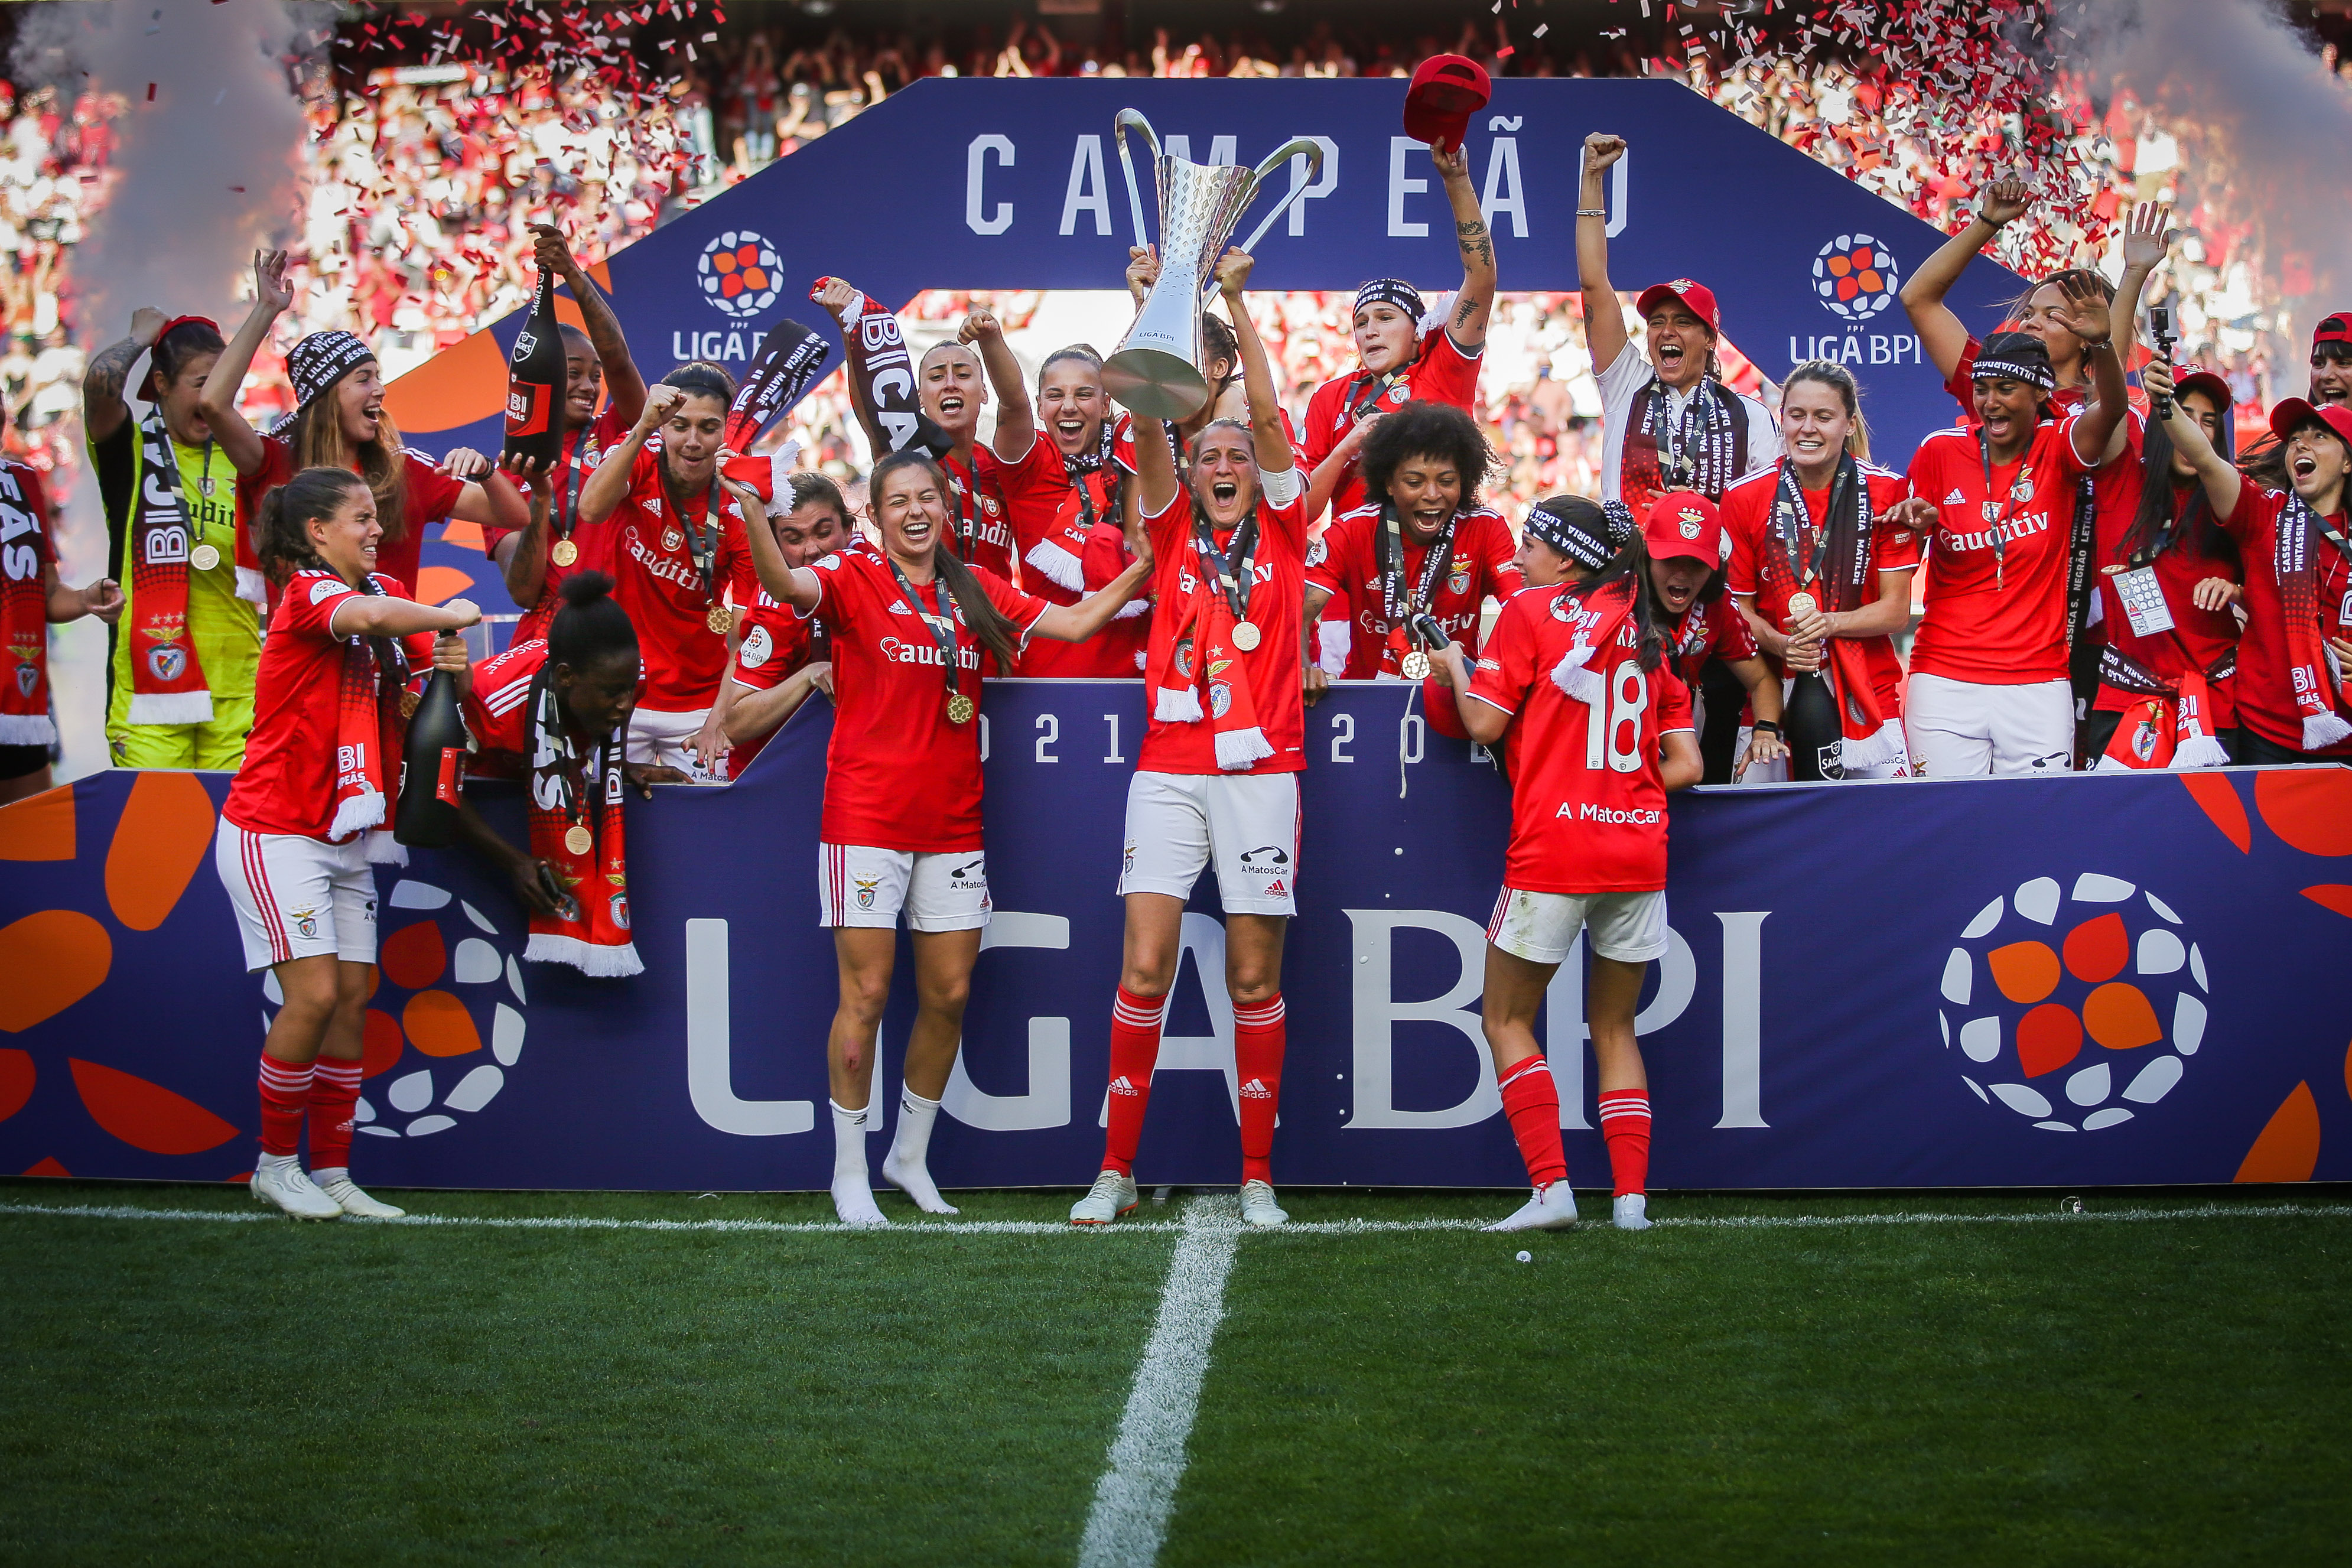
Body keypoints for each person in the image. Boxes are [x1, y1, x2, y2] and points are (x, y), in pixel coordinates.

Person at [742, 449, 1149, 1225]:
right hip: (865, 819)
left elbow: (1070, 621)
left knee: (950, 995)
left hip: (954, 824)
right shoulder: (852, 575)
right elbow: (782, 585)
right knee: (863, 994)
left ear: (944, 508)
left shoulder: (969, 586)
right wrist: (751, 517)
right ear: (877, 515)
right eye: (899, 500)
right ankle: (849, 1172)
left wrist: (1143, 570)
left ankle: (909, 1158)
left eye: (928, 496)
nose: (916, 510)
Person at [1071, 248, 1306, 1231]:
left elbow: (1257, 408)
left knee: (1254, 976)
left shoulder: (1289, 529)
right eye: (1205, 454)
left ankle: (1256, 1174)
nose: (1220, 463)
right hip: (1169, 771)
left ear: (1259, 472)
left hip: (1263, 775)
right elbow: (1144, 417)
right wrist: (1158, 305)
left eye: (1236, 456)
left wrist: (1239, 304)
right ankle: (1114, 1170)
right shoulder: (1167, 530)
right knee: (1143, 969)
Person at [1429, 493, 1706, 1232]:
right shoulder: (1648, 627)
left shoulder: (1529, 612)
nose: (1518, 559)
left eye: (1530, 544)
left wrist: (1455, 664)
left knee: (1506, 1017)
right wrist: (1626, 789)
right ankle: (1631, 1203)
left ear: (1565, 555)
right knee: (1615, 1027)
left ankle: (1552, 1190)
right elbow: (1689, 762)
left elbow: (1484, 721)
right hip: (1638, 848)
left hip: (1556, 846)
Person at [213, 466, 481, 1221]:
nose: (375, 529)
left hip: (345, 831)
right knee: (318, 994)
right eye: (360, 518)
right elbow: (367, 618)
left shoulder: (374, 602)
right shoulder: (312, 593)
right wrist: (442, 612)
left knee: (355, 999)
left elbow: (418, 700)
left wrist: (448, 673)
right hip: (275, 829)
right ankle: (274, 1164)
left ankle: (333, 1172)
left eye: (375, 516)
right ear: (315, 534)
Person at [201, 249, 529, 610]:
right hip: (307, 663)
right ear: (325, 398)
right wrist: (266, 310)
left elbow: (514, 517)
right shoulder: (274, 462)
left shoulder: (403, 471)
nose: (381, 390)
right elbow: (214, 404)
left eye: (379, 377)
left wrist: (485, 472)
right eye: (363, 379)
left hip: (390, 661)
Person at [1899, 307, 2130, 776]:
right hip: (1942, 680)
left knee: (2037, 830)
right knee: (1947, 827)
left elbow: (2112, 409)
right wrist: (1912, 525)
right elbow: (1899, 561)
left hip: (2037, 684)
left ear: (2040, 392)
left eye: (2006, 389)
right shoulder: (1939, 450)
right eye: (1981, 390)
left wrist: (2103, 344)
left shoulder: (2059, 444)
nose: (1989, 403)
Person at [1720, 360, 1932, 780]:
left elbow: (1893, 612)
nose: (1807, 429)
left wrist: (1826, 624)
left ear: (1849, 423)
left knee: (1883, 833)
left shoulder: (1887, 492)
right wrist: (1781, 644)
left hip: (1867, 691)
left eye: (1823, 416)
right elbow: (1737, 610)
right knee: (1769, 839)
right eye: (1796, 415)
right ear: (1781, 418)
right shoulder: (1744, 495)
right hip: (1772, 695)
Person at [83, 310, 258, 767]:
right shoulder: (130, 450)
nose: (213, 397)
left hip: (239, 692)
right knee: (159, 836)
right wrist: (141, 336)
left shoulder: (248, 454)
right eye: (201, 384)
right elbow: (100, 383)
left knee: (232, 838)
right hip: (149, 695)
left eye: (224, 382)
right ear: (161, 383)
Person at [1575, 133, 1781, 515]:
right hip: (1630, 570)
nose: (1666, 331)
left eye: (1683, 322)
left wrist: (1704, 512)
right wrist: (1591, 179)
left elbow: (1767, 518)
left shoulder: (1751, 417)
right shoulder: (1626, 385)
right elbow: (1592, 283)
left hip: (1711, 572)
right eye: (1657, 321)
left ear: (1708, 339)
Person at [454, 570, 646, 975]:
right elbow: (432, 789)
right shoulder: (492, 707)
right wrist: (512, 862)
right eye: (614, 693)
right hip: (478, 824)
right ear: (564, 677)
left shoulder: (625, 673)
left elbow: (627, 693)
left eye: (630, 689)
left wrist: (621, 762)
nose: (626, 704)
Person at [575, 365, 759, 776]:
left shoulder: (741, 502)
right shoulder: (638, 454)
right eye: (679, 426)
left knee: (704, 830)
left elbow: (745, 637)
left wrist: (717, 721)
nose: (692, 442)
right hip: (618, 693)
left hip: (699, 703)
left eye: (708, 428)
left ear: (725, 433)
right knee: (610, 825)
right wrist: (642, 427)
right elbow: (590, 508)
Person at [1299, 139, 1495, 525]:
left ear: (1419, 332)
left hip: (1438, 558)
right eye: (1360, 322)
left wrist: (1456, 180)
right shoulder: (1329, 398)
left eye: (1386, 317)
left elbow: (1482, 277)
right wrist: (1346, 448)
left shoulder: (1445, 368)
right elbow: (1303, 514)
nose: (1370, 330)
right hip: (1356, 567)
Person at [1302, 401, 1519, 731]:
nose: (1433, 495)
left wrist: (1493, 669)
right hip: (1369, 703)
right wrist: (1304, 667)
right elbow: (1297, 613)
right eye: (1415, 482)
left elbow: (1523, 609)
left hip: (1455, 703)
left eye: (1447, 481)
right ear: (1389, 484)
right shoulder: (1353, 530)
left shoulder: (1485, 528)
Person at [2160, 392, 2352, 763]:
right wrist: (2164, 402)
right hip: (2268, 735)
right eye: (2294, 439)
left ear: (2347, 463)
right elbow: (2205, 459)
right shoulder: (2263, 514)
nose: (2301, 445)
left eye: (2319, 436)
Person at [485, 224, 649, 645]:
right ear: (543, 376)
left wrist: (573, 275)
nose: (589, 387)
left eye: (594, 377)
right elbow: (522, 591)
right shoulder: (509, 470)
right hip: (546, 642)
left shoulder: (617, 431)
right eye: (573, 373)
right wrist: (541, 501)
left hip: (622, 638)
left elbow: (618, 361)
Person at [2082, 360, 2243, 768]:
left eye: (2208, 422)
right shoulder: (2120, 481)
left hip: (2215, 704)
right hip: (2126, 700)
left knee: (2216, 831)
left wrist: (2237, 591)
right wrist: (2124, 299)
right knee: (2123, 831)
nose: (2197, 431)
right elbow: (2108, 397)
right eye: (2183, 415)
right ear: (2161, 423)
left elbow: (2268, 591)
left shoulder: (2232, 501)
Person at [820, 281, 1023, 582]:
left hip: (994, 622)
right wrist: (850, 331)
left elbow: (1016, 405)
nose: (950, 384)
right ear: (918, 398)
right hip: (922, 620)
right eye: (937, 376)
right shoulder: (907, 454)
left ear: (984, 392)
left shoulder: (1000, 466)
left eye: (963, 375)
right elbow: (871, 412)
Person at [991, 343, 1147, 676]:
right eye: (1055, 395)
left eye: (1084, 394)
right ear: (1040, 406)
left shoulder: (1136, 455)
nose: (1069, 407)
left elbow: (1154, 392)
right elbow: (1011, 403)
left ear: (1107, 405)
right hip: (1050, 676)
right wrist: (991, 339)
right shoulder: (1030, 464)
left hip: (1138, 678)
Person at [696, 471, 848, 778]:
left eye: (824, 532)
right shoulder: (777, 608)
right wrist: (808, 676)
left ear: (849, 528)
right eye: (794, 539)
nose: (812, 550)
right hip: (776, 774)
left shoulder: (876, 571)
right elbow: (736, 723)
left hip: (847, 761)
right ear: (774, 546)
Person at [0, 444, 121, 802]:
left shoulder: (20, 480)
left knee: (30, 841)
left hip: (18, 703)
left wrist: (86, 599)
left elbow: (47, 592)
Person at [1648, 490, 1788, 782]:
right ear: (1645, 555)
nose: (1682, 574)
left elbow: (1763, 681)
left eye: (1697, 562)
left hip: (1679, 723)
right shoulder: (1614, 599)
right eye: (1670, 559)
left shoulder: (1719, 605)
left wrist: (1764, 730)